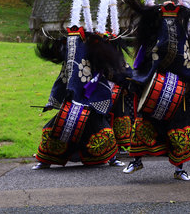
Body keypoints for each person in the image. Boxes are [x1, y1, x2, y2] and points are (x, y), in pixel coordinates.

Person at [118, 0, 190, 180]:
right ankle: (136, 159)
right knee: (143, 121)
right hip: (154, 82)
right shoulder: (153, 31)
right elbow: (143, 60)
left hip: (181, 86)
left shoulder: (185, 28)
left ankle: (180, 168)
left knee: (181, 126)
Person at [32, 26, 128, 169]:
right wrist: (53, 100)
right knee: (56, 127)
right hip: (72, 98)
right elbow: (62, 79)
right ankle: (45, 160)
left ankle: (112, 158)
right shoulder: (70, 55)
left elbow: (106, 74)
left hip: (91, 99)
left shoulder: (94, 49)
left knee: (100, 129)